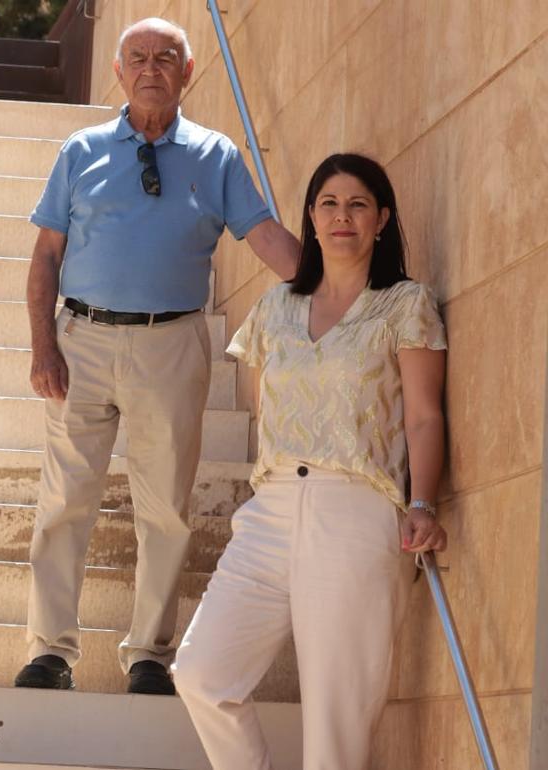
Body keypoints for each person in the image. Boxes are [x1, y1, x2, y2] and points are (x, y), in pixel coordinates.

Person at [15, 17, 301, 695]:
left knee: (167, 509)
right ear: (119, 72)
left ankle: (148, 653)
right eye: (138, 57)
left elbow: (264, 236)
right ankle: (49, 651)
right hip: (82, 342)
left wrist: (336, 286)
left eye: (165, 58)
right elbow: (46, 255)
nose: (151, 68)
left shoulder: (216, 155)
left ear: (187, 71)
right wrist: (42, 346)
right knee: (64, 502)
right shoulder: (81, 150)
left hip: (172, 344)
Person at [172, 153, 448, 769]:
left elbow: (424, 417)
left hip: (355, 512)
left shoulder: (405, 304)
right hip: (269, 510)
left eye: (357, 205)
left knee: (335, 723)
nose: (342, 216)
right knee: (201, 672)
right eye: (329, 204)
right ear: (312, 218)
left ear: (382, 219)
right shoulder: (275, 307)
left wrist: (423, 503)